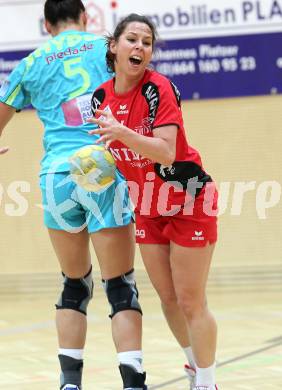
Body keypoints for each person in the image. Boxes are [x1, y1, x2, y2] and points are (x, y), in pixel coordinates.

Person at [0, 2, 147, 390]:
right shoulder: (107, 46)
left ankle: (70, 384)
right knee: (120, 285)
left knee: (74, 284)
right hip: (102, 167)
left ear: (47, 24)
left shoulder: (31, 63)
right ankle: (133, 383)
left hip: (56, 176)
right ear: (86, 18)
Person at [89, 13, 219, 390]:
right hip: (147, 204)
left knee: (191, 299)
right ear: (114, 46)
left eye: (147, 42)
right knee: (168, 298)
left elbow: (166, 152)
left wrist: (122, 132)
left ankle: (208, 383)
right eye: (132, 39)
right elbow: (113, 151)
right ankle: (194, 366)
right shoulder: (101, 97)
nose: (140, 47)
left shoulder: (158, 88)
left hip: (188, 197)